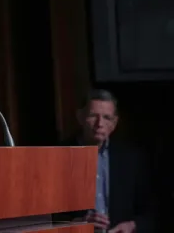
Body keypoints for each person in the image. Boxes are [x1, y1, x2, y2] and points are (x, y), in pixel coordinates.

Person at [61, 89, 156, 233]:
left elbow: (152, 212)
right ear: (80, 117)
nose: (100, 123)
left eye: (107, 117)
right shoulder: (58, 157)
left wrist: (132, 226)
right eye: (93, 116)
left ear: (115, 123)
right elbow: (41, 215)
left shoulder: (131, 158)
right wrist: (78, 223)